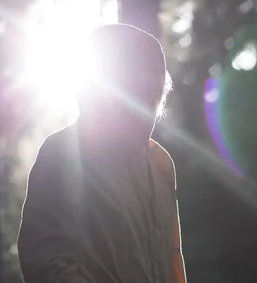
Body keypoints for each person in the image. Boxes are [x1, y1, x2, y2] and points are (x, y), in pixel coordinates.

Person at [17, 23, 186, 283]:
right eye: (134, 94)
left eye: (153, 96)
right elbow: (47, 265)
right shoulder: (61, 155)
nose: (145, 111)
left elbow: (173, 259)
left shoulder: (161, 163)